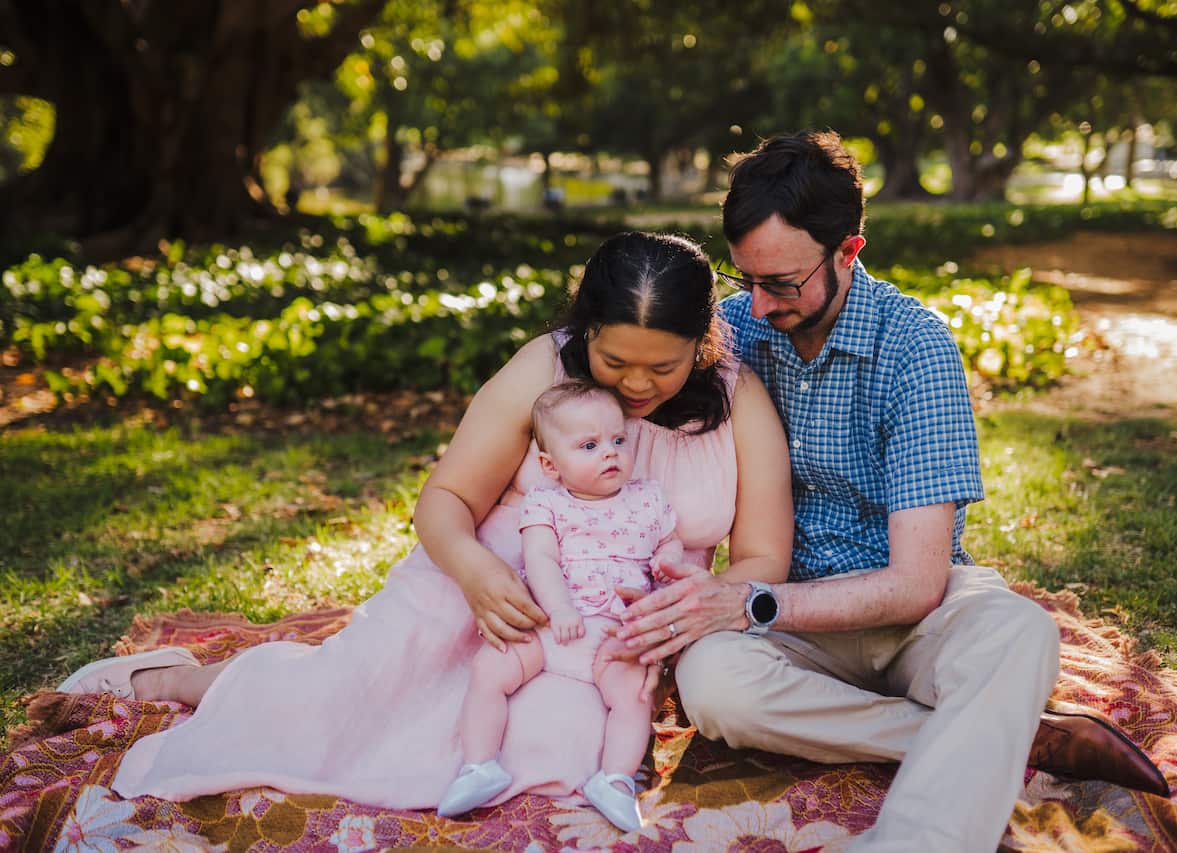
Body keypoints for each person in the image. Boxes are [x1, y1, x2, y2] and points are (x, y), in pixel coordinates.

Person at [56, 231, 794, 820]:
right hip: (481, 600)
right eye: (613, 361)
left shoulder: (738, 401)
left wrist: (693, 602)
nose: (635, 385)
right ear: (585, 332)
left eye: (661, 368)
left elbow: (764, 555)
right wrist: (478, 576)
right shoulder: (545, 369)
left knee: (555, 763)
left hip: (596, 641)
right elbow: (444, 501)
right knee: (333, 711)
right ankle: (189, 680)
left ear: (702, 341)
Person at [613, 131, 1170, 852]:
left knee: (1020, 631)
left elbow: (917, 582)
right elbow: (613, 363)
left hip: (916, 616)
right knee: (713, 681)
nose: (754, 304)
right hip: (794, 629)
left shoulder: (917, 348)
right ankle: (1004, 734)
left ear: (850, 250)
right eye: (745, 277)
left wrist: (747, 600)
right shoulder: (740, 329)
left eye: (781, 283)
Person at [439, 380, 684, 831]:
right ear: (551, 466)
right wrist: (560, 609)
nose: (610, 453)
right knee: (490, 671)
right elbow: (542, 559)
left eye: (617, 440)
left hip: (614, 632)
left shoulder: (647, 497)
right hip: (549, 626)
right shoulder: (547, 503)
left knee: (634, 695)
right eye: (589, 445)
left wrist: (668, 560)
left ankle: (614, 780)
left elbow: (669, 545)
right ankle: (479, 765)